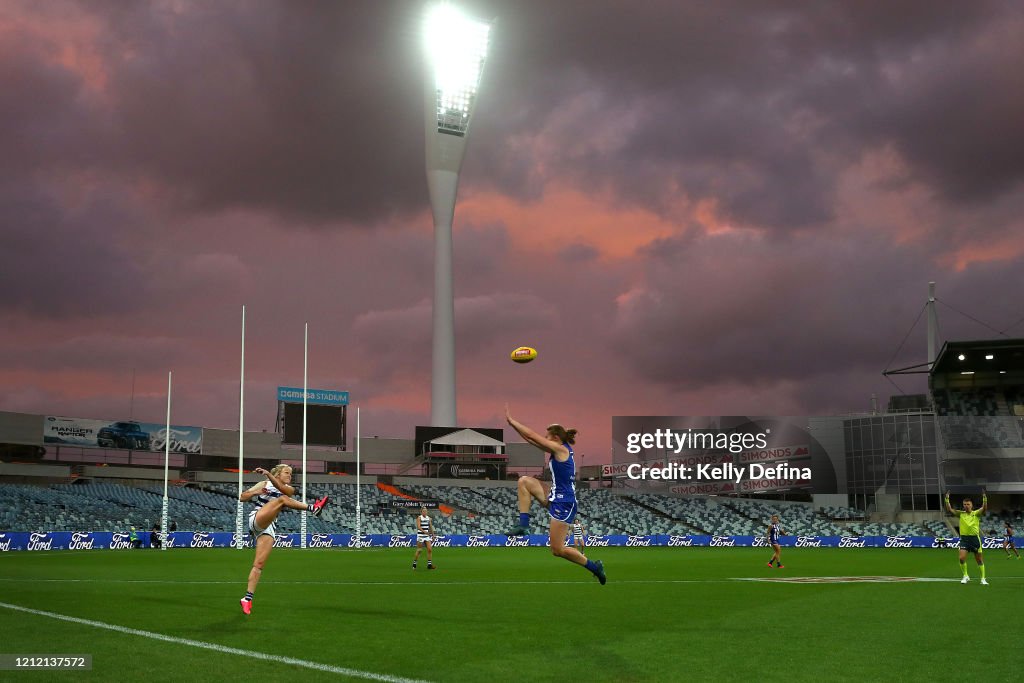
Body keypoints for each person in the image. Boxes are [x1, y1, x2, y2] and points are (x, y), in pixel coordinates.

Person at [504, 405, 606, 584]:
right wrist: (514, 427)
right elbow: (531, 440)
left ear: (556, 438)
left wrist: (513, 422)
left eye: (548, 438)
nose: (545, 440)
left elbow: (532, 436)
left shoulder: (561, 450)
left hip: (564, 503)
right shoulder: (558, 449)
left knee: (557, 550)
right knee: (524, 481)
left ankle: (594, 567)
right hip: (554, 496)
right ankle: (523, 525)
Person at [238, 464, 329, 614]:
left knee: (259, 564)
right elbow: (242, 497)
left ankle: (247, 599)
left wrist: (269, 475)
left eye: (291, 474)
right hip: (256, 517)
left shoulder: (288, 488)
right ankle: (313, 508)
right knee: (281, 500)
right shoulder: (264, 484)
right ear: (278, 473)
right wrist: (256, 492)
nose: (289, 476)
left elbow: (285, 491)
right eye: (287, 473)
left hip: (269, 526)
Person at [945, 490, 988, 585]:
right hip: (964, 539)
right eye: (964, 504)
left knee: (979, 560)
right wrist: (947, 499)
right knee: (961, 558)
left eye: (968, 504)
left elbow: (984, 508)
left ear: (971, 505)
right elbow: (949, 509)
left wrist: (984, 498)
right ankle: (965, 575)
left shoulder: (976, 513)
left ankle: (983, 578)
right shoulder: (961, 514)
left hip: (975, 539)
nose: (966, 506)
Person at [412, 505, 435, 570]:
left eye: (426, 511)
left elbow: (430, 527)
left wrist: (433, 535)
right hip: (420, 536)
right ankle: (414, 563)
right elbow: (418, 527)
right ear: (421, 512)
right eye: (424, 511)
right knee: (419, 550)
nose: (425, 512)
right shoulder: (419, 518)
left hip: (426, 536)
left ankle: (429, 565)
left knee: (430, 549)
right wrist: (424, 531)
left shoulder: (428, 518)